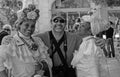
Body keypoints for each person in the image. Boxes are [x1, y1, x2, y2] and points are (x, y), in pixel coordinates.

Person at [34, 12, 106, 77]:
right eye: (55, 20)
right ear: (51, 23)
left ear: (65, 23)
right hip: (50, 74)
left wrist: (101, 41)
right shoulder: (40, 37)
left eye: (62, 21)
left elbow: (88, 39)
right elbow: (26, 38)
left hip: (67, 73)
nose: (58, 23)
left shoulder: (74, 37)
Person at [0, 4, 52, 77]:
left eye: (32, 26)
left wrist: (41, 65)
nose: (30, 28)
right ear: (19, 25)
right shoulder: (10, 41)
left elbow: (49, 61)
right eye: (26, 25)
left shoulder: (38, 41)